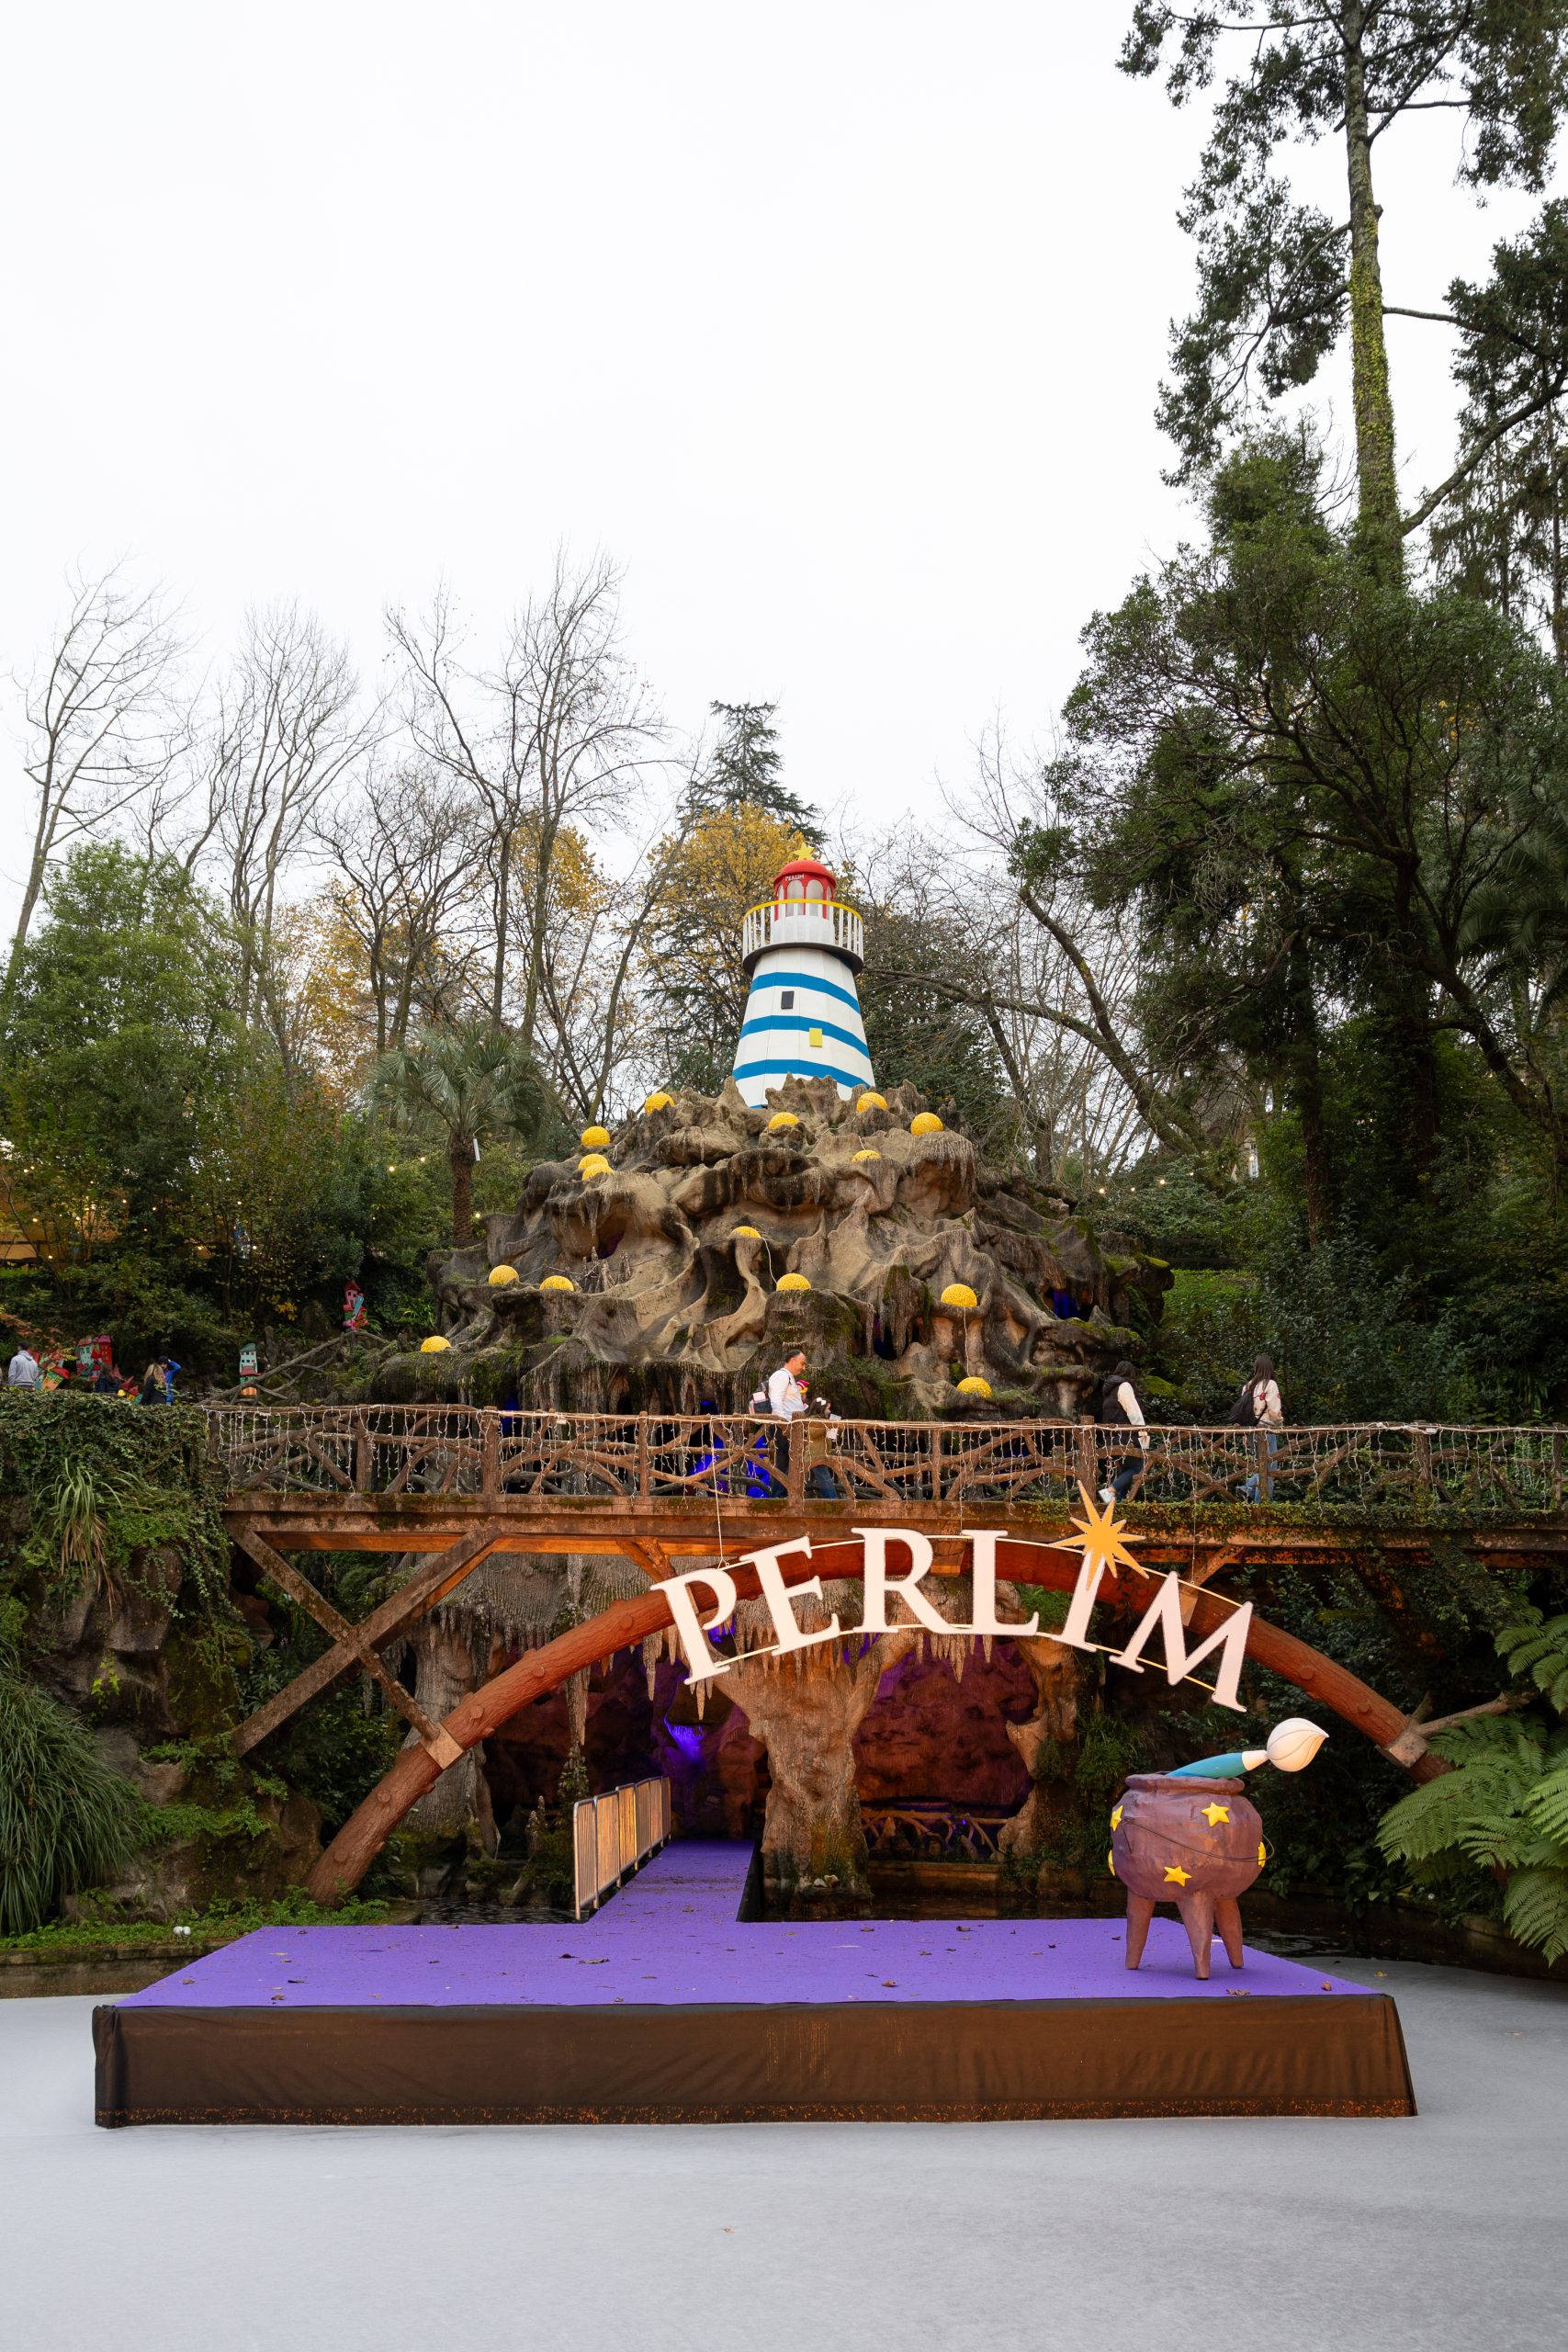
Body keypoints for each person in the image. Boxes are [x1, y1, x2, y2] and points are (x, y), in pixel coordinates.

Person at [1099, 1358, 1150, 1505]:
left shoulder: (1109, 1391)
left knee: (1127, 1468)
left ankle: (1120, 1501)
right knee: (1137, 1468)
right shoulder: (1124, 1386)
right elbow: (1133, 1412)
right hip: (1126, 1437)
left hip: (1112, 1437)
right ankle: (1110, 1491)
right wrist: (1143, 1433)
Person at [1238, 1353, 1284, 1502]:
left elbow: (1243, 1412)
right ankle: (1262, 1504)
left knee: (1263, 1465)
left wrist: (1245, 1435)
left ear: (1256, 1368)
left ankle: (1248, 1489)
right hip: (1266, 1430)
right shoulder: (1270, 1384)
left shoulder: (1247, 1386)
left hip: (1250, 1430)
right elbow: (1275, 1411)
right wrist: (1280, 1425)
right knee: (1270, 1468)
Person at [765, 1349, 809, 1487]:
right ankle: (780, 1494)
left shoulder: (788, 1377)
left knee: (787, 1462)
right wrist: (784, 1424)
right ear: (792, 1360)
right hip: (783, 1427)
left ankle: (781, 1494)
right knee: (786, 1462)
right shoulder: (781, 1376)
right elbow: (776, 1401)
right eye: (802, 1363)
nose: (804, 1368)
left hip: (789, 1427)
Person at [802, 1395, 843, 1499]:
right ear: (821, 1408)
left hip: (821, 1453)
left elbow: (830, 1435)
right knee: (824, 1478)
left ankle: (825, 1498)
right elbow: (812, 1433)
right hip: (814, 1453)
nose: (829, 1411)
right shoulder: (812, 1419)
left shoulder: (824, 1420)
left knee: (820, 1478)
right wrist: (827, 1425)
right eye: (827, 1408)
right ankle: (833, 1499)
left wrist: (835, 1427)